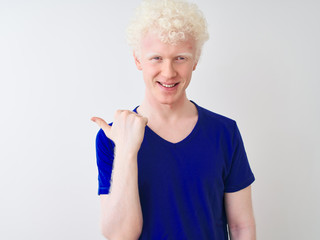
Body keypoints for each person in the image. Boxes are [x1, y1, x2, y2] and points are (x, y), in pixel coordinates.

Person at [91, 0, 256, 239]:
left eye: (180, 58)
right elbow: (120, 235)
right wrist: (127, 152)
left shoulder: (225, 132)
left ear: (195, 61)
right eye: (156, 58)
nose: (168, 72)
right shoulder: (112, 137)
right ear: (138, 60)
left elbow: (242, 227)